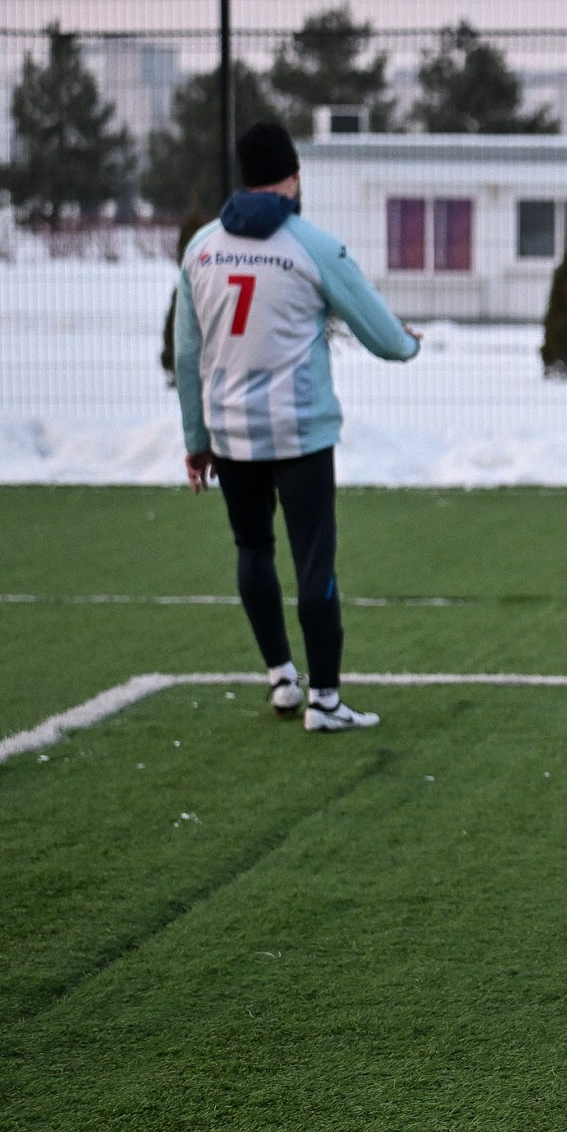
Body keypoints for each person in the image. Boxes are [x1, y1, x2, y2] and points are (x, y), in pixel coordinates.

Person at [174, 121, 419, 732]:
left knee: (252, 549)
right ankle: (327, 702)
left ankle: (283, 678)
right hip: (300, 433)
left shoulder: (201, 248)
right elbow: (384, 339)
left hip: (230, 435)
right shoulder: (313, 244)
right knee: (314, 562)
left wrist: (196, 440)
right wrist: (409, 343)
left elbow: (186, 353)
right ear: (293, 177)